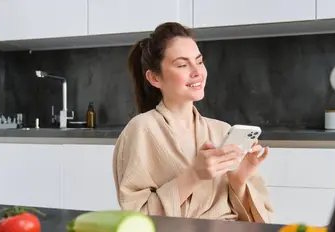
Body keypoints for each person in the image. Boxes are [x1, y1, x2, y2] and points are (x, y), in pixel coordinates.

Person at [112, 22, 273, 223]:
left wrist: (238, 180)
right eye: (182, 65)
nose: (197, 72)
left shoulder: (222, 130)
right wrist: (194, 176)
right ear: (154, 78)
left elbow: (259, 219)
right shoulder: (141, 129)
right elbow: (135, 218)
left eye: (199, 61)